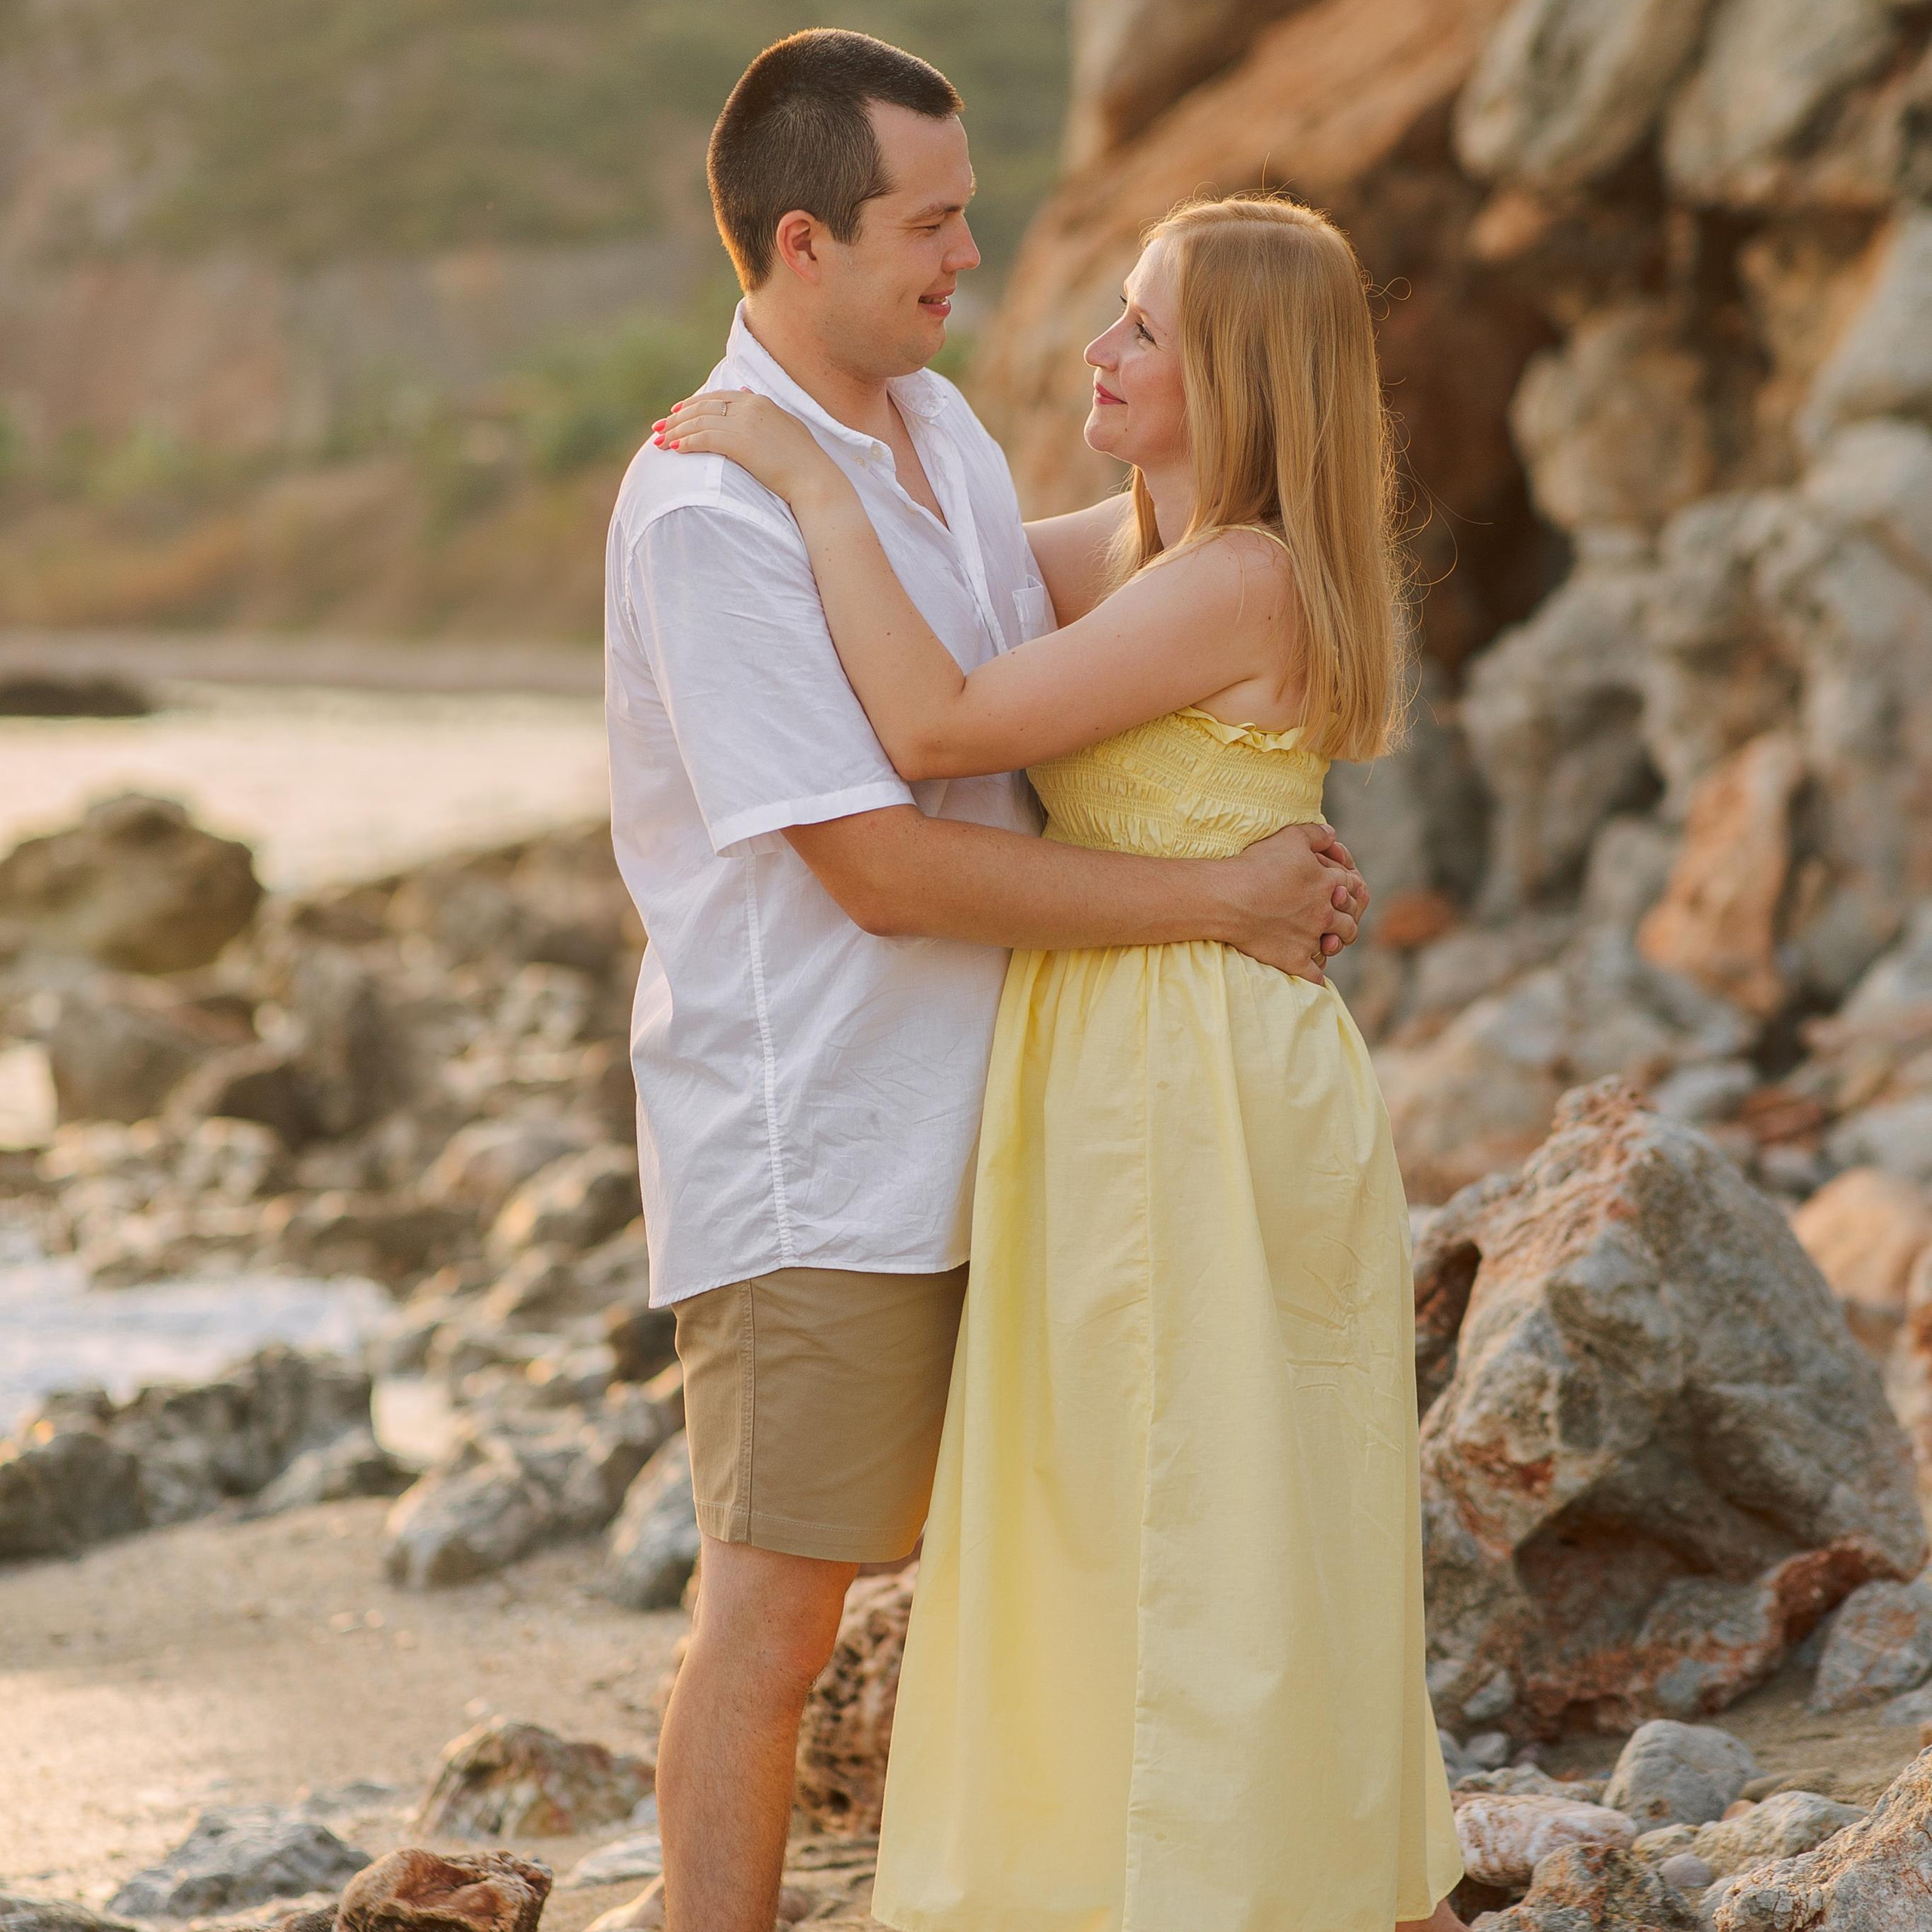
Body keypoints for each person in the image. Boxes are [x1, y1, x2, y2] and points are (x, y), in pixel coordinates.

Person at [602, 31, 1373, 1932]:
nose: (974, 253)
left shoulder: (933, 430)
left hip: (1039, 1127)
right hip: (831, 1145)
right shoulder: (710, 511)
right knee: (777, 1616)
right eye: (929, 222)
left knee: (1104, 1567)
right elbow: (876, 863)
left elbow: (1066, 636)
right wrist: (1213, 890)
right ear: (804, 240)